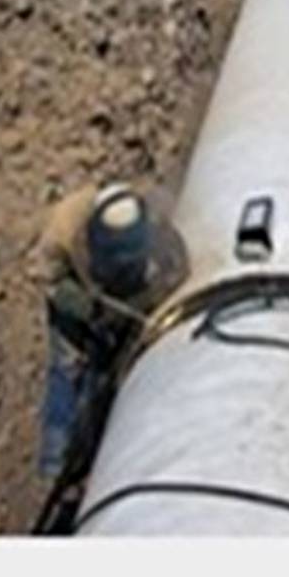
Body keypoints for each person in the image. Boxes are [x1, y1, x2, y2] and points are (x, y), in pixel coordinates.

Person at [35, 182, 188, 481]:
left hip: (127, 296)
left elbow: (176, 270)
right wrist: (87, 309)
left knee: (113, 366)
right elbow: (47, 279)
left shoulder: (159, 222)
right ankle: (56, 459)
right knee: (68, 368)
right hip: (78, 296)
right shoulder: (64, 226)